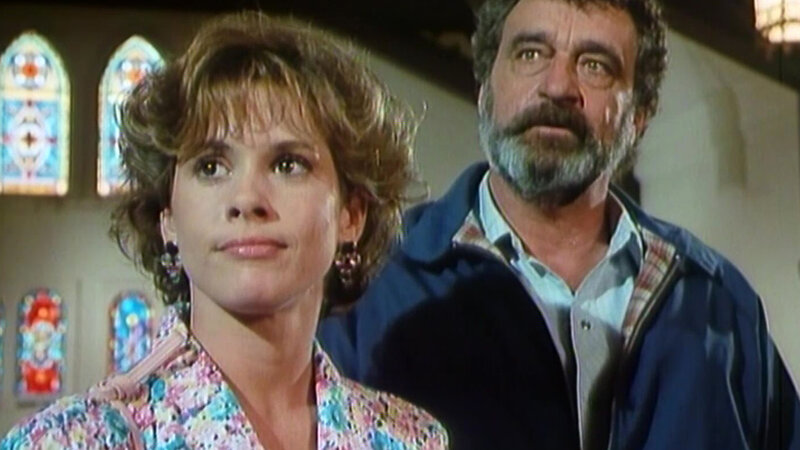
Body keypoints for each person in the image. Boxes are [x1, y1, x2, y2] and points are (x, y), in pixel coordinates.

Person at [319, 0, 800, 448]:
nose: (557, 86)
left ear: (640, 116)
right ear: (485, 90)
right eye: (530, 54)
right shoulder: (368, 286)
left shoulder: (719, 304)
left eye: (595, 65)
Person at [2, 12, 447, 449]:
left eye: (287, 164)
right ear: (167, 216)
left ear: (352, 213)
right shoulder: (74, 441)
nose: (246, 199)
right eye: (211, 167)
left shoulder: (409, 440)